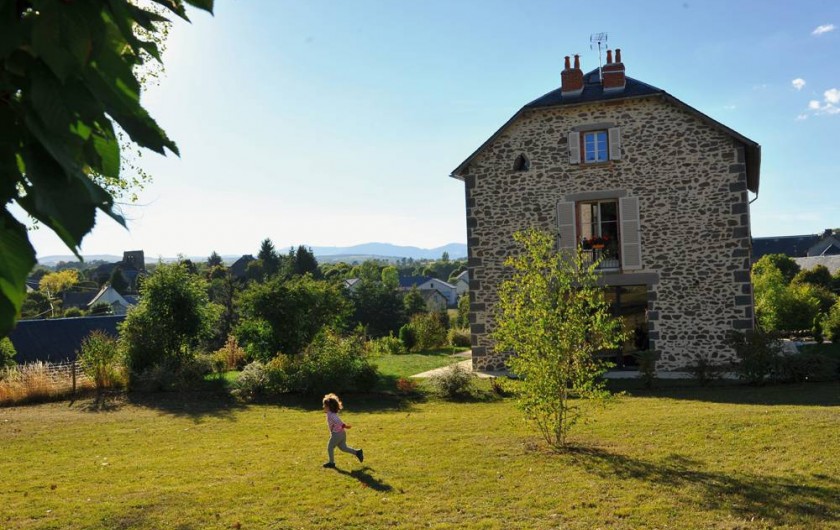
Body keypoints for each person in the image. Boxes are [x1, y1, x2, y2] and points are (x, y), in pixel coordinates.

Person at [322, 393, 364, 469]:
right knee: (343, 448)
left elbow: (337, 421)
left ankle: (331, 463)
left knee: (330, 447)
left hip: (337, 434)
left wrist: (345, 426)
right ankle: (357, 452)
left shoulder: (331, 415)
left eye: (325, 406)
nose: (323, 407)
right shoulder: (331, 413)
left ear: (329, 407)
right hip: (341, 433)